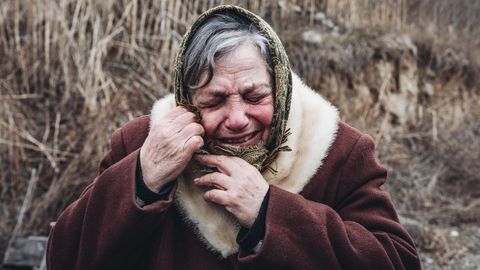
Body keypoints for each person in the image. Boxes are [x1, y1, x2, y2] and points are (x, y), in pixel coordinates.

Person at [47, 5, 421, 270]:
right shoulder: (140, 145)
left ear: (281, 87)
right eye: (214, 100)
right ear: (187, 99)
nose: (238, 119)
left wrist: (268, 213)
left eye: (256, 96)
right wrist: (143, 179)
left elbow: (397, 260)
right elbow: (64, 258)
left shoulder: (337, 150)